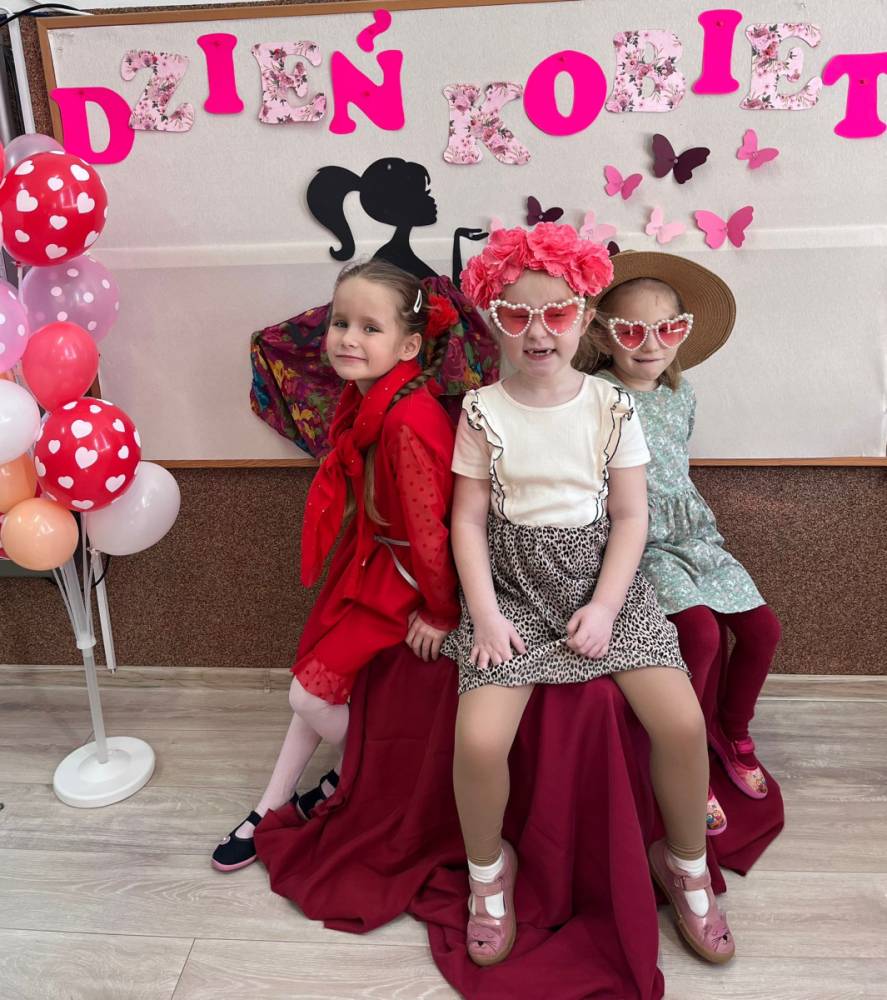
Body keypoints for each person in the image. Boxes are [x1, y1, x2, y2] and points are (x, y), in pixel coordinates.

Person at [442, 224, 736, 967]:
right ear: (493, 319)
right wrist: (484, 614)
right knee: (478, 740)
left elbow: (631, 517)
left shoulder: (612, 406)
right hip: (512, 588)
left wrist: (606, 606)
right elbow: (467, 520)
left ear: (584, 315)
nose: (538, 331)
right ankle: (488, 871)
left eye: (557, 312)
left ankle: (685, 862)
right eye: (516, 315)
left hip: (605, 580)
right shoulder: (482, 410)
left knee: (680, 723)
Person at [213, 258, 462, 871]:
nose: (348, 338)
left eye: (370, 328)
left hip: (403, 578)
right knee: (313, 679)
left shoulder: (407, 420)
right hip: (372, 556)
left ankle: (368, 765)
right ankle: (272, 804)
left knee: (307, 694)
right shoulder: (371, 398)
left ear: (408, 345)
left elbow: (431, 532)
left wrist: (439, 611)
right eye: (341, 322)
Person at [579, 250, 782, 834]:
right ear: (603, 333)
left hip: (693, 533)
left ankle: (731, 733)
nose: (651, 344)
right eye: (631, 330)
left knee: (763, 630)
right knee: (697, 633)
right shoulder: (595, 395)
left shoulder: (681, 391)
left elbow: (678, 465)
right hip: (636, 538)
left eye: (667, 329)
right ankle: (682, 753)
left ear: (683, 331)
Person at [250, 157, 498, 456]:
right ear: (401, 204)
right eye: (424, 192)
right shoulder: (386, 271)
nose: (431, 200)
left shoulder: (412, 417)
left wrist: (458, 241)